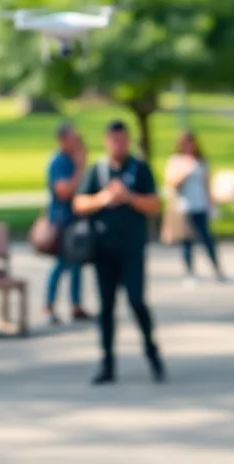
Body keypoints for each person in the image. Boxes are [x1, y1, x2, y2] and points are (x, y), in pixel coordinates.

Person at [73, 119, 165, 385]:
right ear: (106, 141)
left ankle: (151, 351)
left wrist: (129, 197)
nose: (119, 145)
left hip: (132, 249)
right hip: (103, 250)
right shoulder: (98, 172)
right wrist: (103, 199)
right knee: (106, 308)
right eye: (114, 140)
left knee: (137, 301)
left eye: (123, 140)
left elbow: (154, 204)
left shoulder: (140, 169)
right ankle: (107, 362)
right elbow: (79, 203)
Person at [161, 130, 224, 284]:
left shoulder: (201, 161)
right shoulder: (176, 161)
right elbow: (171, 183)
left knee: (207, 239)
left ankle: (216, 268)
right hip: (184, 206)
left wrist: (211, 205)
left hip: (200, 205)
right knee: (187, 241)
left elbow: (207, 185)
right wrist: (185, 172)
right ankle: (189, 272)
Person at [44, 123, 91, 326]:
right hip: (63, 220)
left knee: (77, 264)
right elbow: (64, 190)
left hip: (76, 219)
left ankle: (76, 304)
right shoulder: (59, 162)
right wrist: (81, 167)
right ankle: (49, 305)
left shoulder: (72, 160)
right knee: (63, 263)